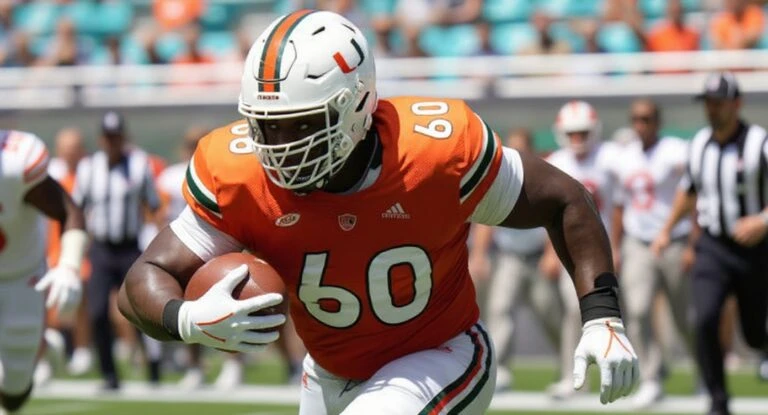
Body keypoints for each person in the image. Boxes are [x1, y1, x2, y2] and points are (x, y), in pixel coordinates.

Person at [119, 10, 638, 414]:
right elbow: (144, 279)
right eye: (267, 125)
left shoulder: (433, 151)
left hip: (439, 354)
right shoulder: (238, 173)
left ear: (358, 104)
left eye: (302, 124)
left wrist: (602, 317)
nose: (280, 146)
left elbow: (565, 199)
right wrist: (185, 319)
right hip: (329, 370)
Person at [651, 72, 768, 415]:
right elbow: (689, 190)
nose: (712, 109)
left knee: (753, 332)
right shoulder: (699, 144)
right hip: (712, 246)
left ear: (736, 104)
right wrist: (666, 230)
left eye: (719, 103)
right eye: (708, 103)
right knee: (704, 319)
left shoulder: (759, 143)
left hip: (754, 250)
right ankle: (718, 399)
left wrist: (762, 221)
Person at [610, 98, 695, 409]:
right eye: (636, 119)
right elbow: (619, 205)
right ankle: (651, 378)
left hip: (674, 240)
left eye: (646, 119)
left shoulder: (674, 151)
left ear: (657, 122)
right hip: (638, 243)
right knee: (638, 310)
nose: (640, 125)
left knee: (684, 316)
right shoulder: (624, 157)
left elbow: (695, 192)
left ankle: (704, 367)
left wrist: (693, 243)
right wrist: (616, 246)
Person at [72, 111, 161, 390]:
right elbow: (76, 209)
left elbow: (153, 204)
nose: (112, 142)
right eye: (108, 137)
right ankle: (109, 374)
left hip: (130, 248)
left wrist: (155, 241)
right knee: (98, 312)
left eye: (116, 137)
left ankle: (153, 365)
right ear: (101, 139)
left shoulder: (138, 164)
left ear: (124, 138)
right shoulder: (88, 168)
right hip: (101, 249)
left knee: (141, 310)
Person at [468, 128, 562, 392]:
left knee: (550, 313)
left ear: (530, 151)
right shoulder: (498, 179)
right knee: (500, 308)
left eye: (520, 148)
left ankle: (568, 363)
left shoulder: (543, 178)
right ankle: (501, 370)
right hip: (509, 257)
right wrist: (478, 254)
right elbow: (486, 220)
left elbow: (554, 219)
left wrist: (551, 254)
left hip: (537, 257)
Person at [0, 130, 86, 414]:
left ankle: (40, 344)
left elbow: (69, 211)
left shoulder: (17, 163)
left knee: (13, 394)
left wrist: (69, 267)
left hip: (20, 277)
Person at [539, 100, 619, 400]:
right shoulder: (557, 162)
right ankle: (573, 378)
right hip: (572, 251)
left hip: (609, 247)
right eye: (572, 133)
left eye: (583, 132)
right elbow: (549, 214)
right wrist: (550, 252)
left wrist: (618, 246)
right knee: (574, 312)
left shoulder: (610, 157)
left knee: (629, 314)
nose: (577, 138)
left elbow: (623, 204)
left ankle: (636, 374)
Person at [46, 127, 93, 377]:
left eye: (73, 148)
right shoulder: (50, 173)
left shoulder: (90, 173)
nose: (69, 153)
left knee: (80, 299)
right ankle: (45, 353)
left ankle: (82, 349)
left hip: (80, 247)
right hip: (52, 245)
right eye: (65, 149)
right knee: (47, 302)